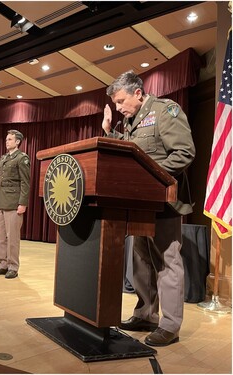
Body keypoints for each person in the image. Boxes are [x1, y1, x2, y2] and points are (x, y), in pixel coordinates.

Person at [102, 70, 195, 347]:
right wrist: (109, 133)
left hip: (164, 201)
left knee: (168, 262)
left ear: (138, 94)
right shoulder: (130, 122)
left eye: (120, 101)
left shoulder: (165, 111)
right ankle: (145, 314)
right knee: (141, 261)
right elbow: (133, 154)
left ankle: (170, 325)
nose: (118, 108)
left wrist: (148, 178)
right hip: (140, 203)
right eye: (116, 104)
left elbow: (184, 153)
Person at [0, 130, 30, 279]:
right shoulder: (4, 158)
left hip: (14, 203)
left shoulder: (21, 158)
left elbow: (25, 182)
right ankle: (2, 264)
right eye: (6, 139)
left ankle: (13, 266)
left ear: (17, 142)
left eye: (10, 139)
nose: (6, 141)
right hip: (1, 202)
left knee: (12, 237)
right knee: (1, 236)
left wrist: (22, 203)